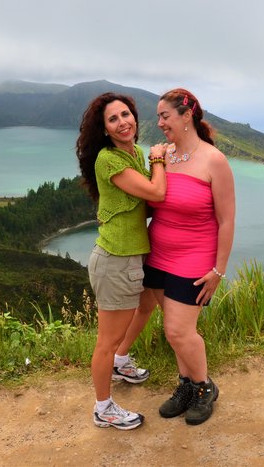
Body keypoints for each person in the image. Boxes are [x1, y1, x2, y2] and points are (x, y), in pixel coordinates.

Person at [76, 92, 168, 430]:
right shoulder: (108, 159)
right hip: (115, 259)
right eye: (113, 119)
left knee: (145, 307)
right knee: (106, 340)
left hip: (136, 255)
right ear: (105, 130)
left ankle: (122, 361)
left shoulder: (136, 153)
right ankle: (103, 408)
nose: (122, 122)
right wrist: (159, 160)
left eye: (126, 114)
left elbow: (147, 203)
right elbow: (156, 193)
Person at [143, 88, 236, 425]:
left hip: (194, 259)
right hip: (156, 257)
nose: (159, 123)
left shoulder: (214, 160)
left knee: (180, 331)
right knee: (173, 332)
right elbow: (151, 200)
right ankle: (186, 385)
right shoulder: (162, 156)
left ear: (186, 116)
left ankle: (204, 387)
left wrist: (219, 270)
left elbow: (226, 220)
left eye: (164, 116)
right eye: (158, 117)